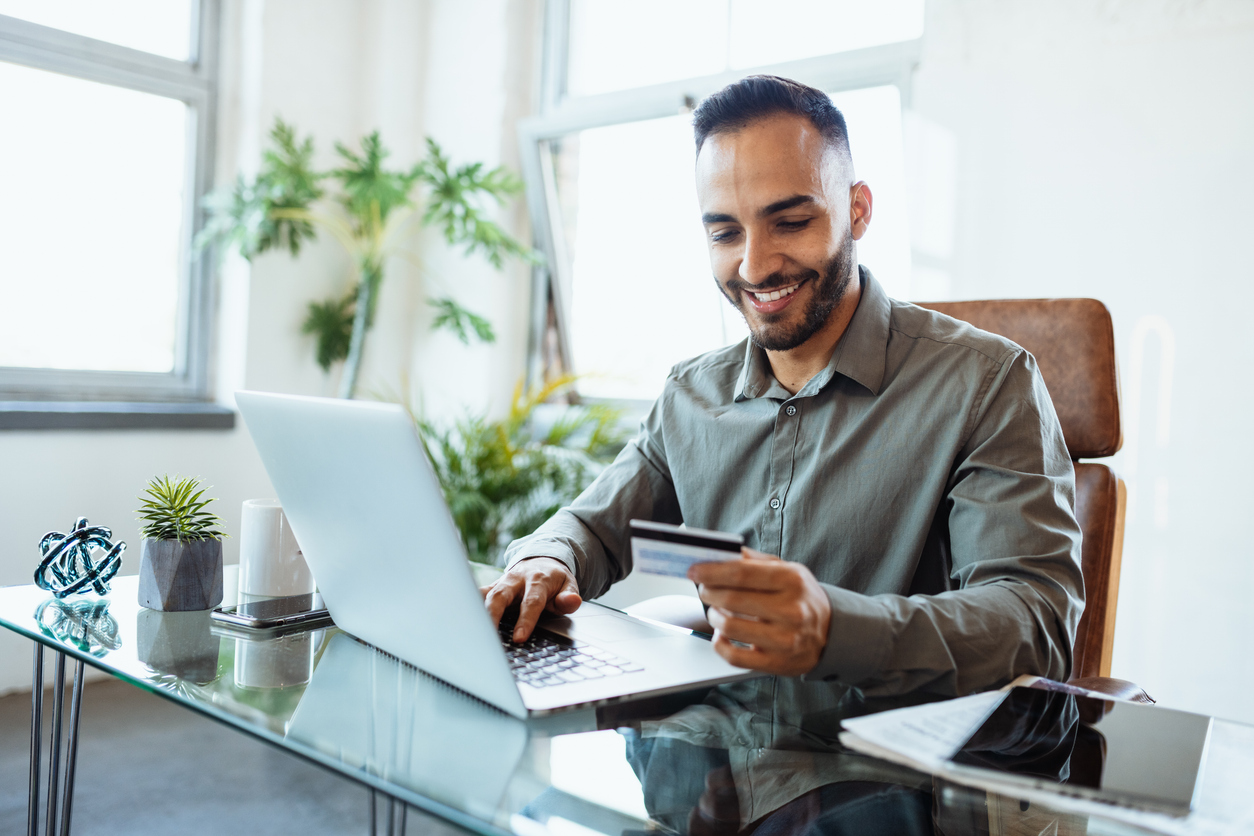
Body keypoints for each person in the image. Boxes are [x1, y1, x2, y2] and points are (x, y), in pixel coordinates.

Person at [483, 75, 1084, 718]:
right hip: (710, 781)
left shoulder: (986, 382)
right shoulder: (692, 395)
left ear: (857, 209)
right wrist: (547, 558)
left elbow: (1035, 623)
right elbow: (594, 529)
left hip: (884, 785)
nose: (755, 266)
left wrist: (835, 628)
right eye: (724, 234)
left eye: (790, 221)